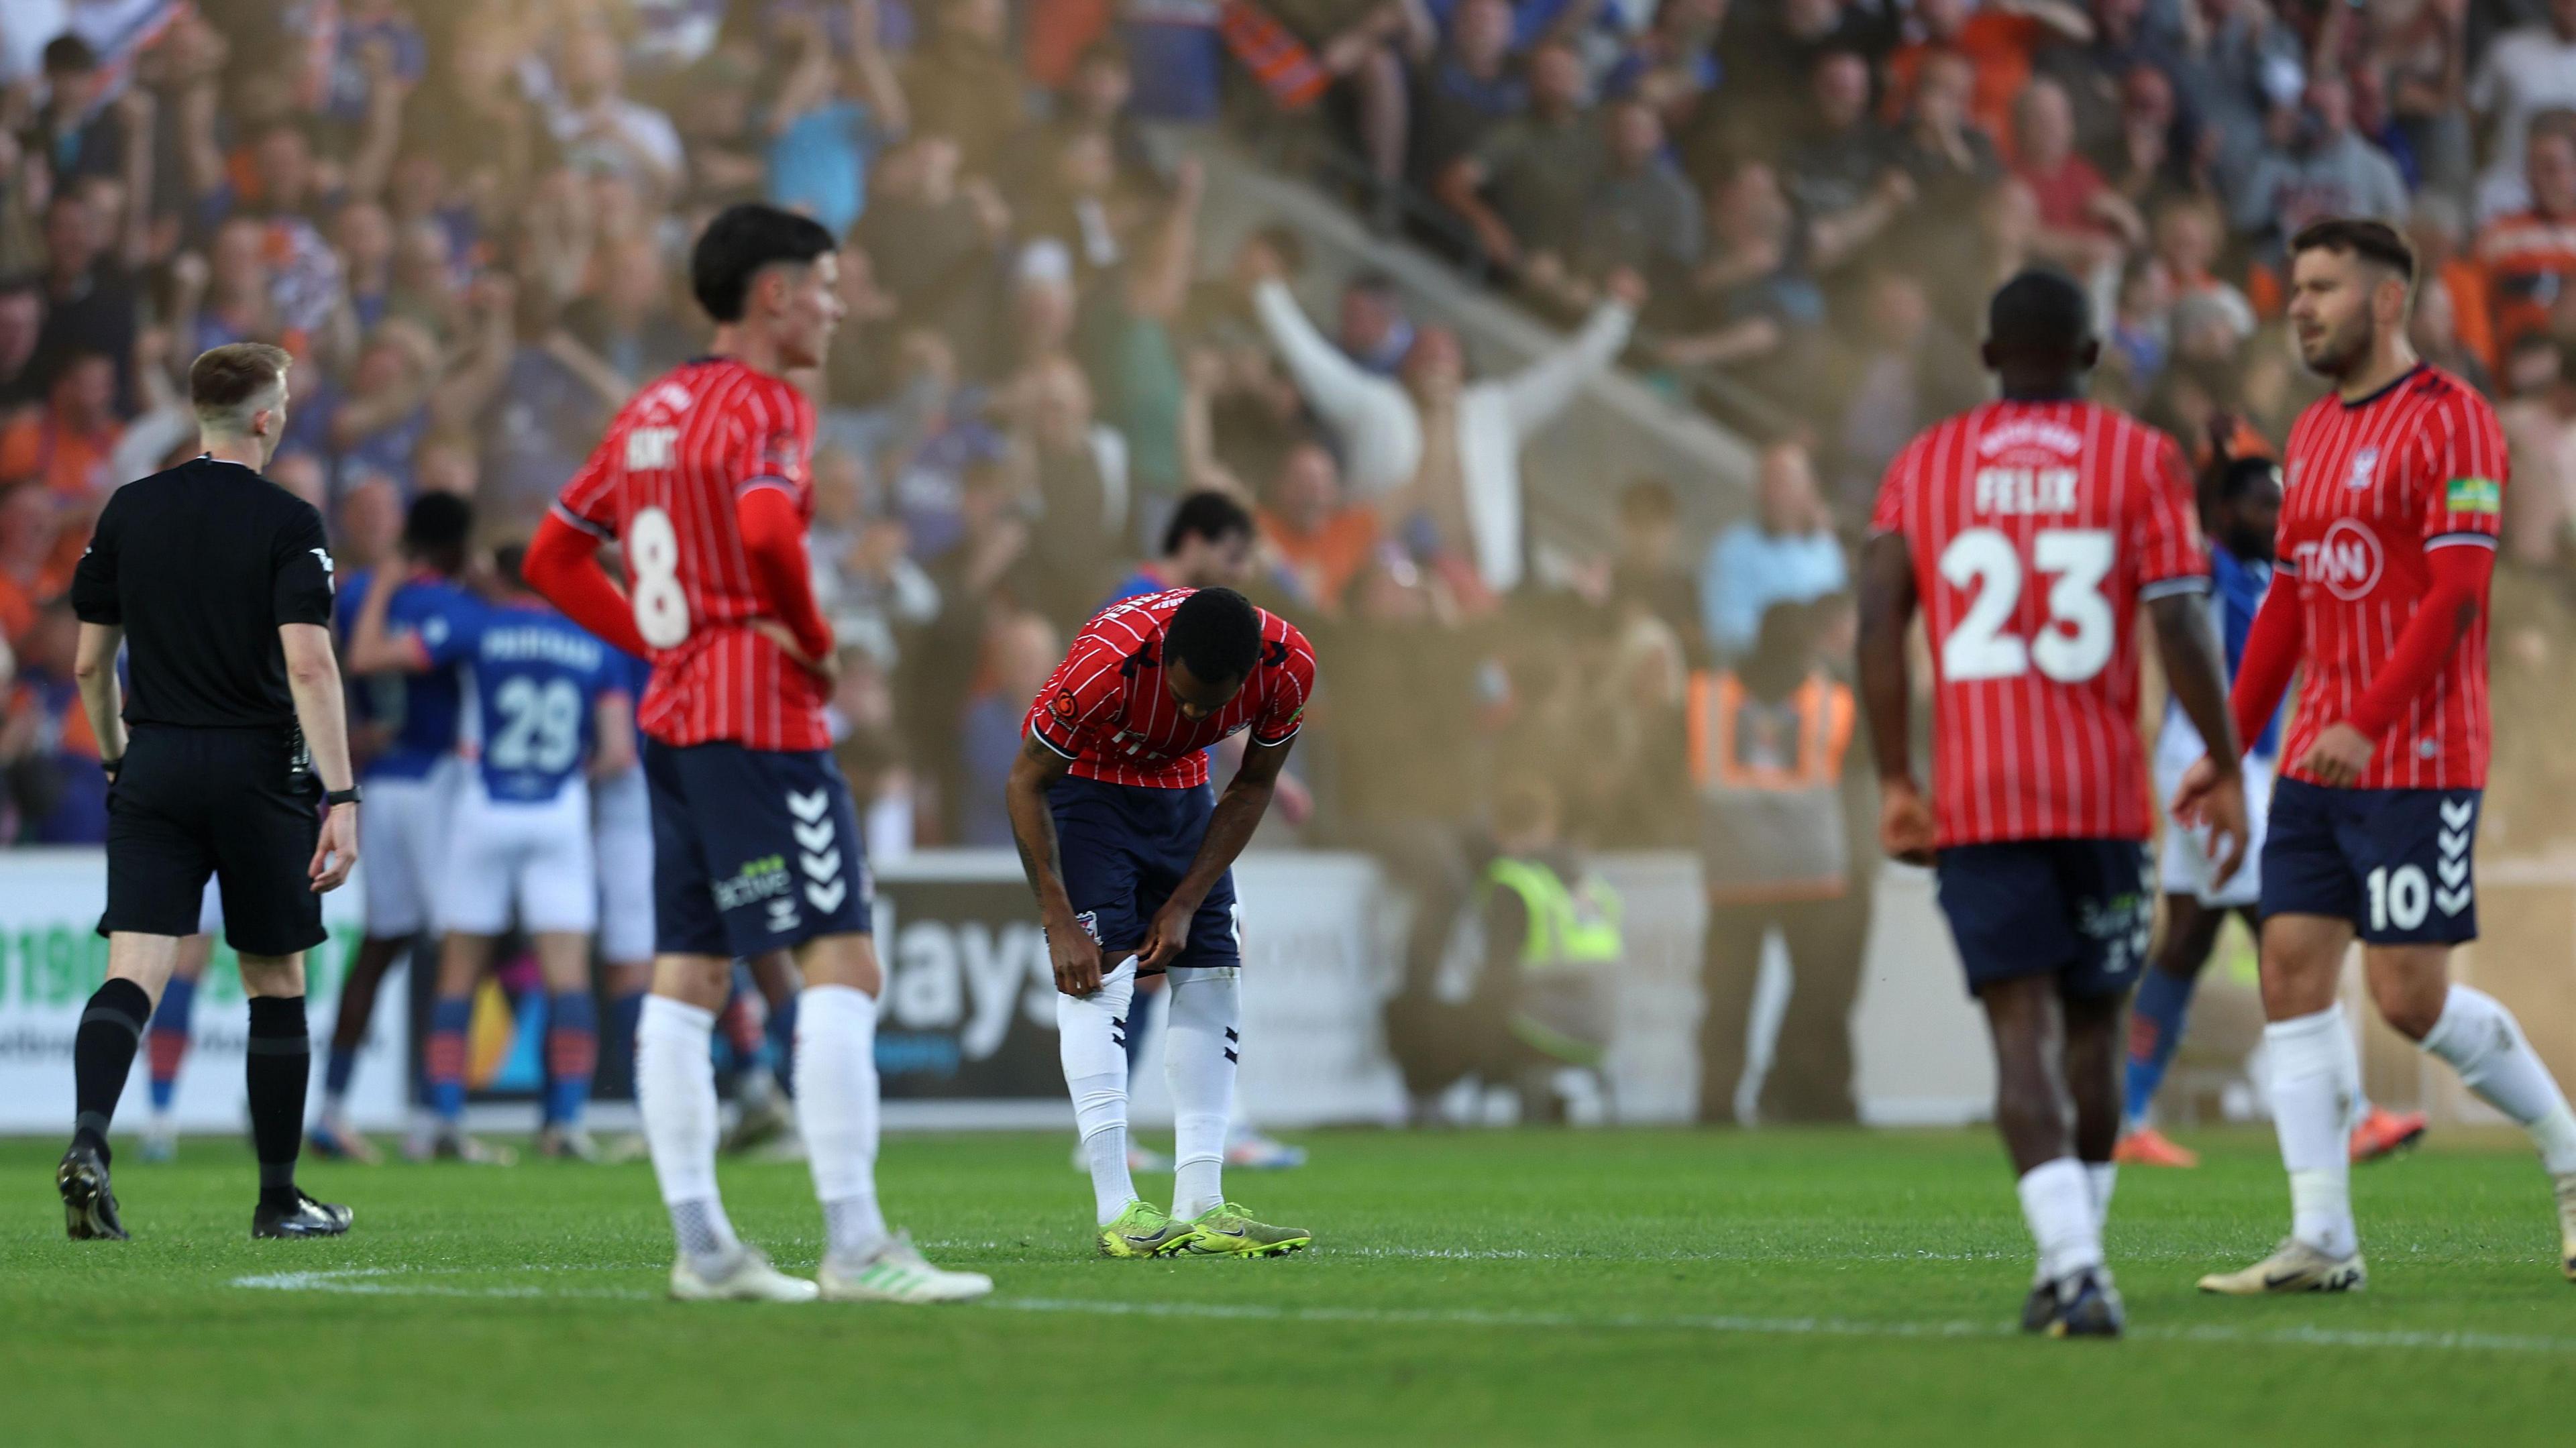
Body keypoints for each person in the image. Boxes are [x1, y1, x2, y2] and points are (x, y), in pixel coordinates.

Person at [523, 203, 989, 1304]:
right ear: (774, 293)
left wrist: (655, 634)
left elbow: (551, 552)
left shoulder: (649, 409)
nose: (838, 305)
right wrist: (815, 643)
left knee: (689, 971)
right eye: (827, 285)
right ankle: (857, 1242)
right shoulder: (769, 404)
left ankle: (707, 1245)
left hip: (672, 714)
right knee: (843, 956)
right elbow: (775, 533)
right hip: (761, 711)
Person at [2178, 219, 2576, 1294]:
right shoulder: (2307, 433)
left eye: (2323, 288)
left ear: (2388, 301)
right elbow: (2293, 605)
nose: (2298, 306)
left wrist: (2370, 717)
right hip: (2315, 759)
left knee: (2408, 997)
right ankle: (2323, 1238)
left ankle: (2573, 1154)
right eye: (2296, 287)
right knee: (2291, 970)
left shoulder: (2455, 423)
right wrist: (2227, 753)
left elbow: (2455, 597)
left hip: (2421, 754)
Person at [1858, 270, 2249, 1338]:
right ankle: (2078, 1261)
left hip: (1981, 802)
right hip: (2102, 800)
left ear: (1988, 358)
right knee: (2095, 1032)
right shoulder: (2138, 457)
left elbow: (1876, 626)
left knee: (2018, 1035)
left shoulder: (1923, 465)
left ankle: (2074, 1266)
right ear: (2090, 358)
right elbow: (2182, 624)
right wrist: (2222, 758)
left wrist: (1898, 777)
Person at [58, 341, 361, 1241]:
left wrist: (118, 757)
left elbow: (87, 661)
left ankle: (88, 1140)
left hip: (153, 759)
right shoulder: (288, 519)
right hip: (256, 767)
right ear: (267, 416)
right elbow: (309, 661)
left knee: (135, 968)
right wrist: (341, 793)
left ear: (199, 413)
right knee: (273, 975)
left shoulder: (129, 510)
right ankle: (277, 1196)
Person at [2118, 442, 2428, 1170]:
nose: (2278, 514)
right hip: (2208, 763)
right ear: (2224, 513)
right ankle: (2350, 1113)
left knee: (2189, 941)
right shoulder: (2210, 568)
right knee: (2291, 930)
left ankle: (2123, 1114)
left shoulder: (2271, 573)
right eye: (2263, 504)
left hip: (2242, 764)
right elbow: (2181, 542)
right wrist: (2202, 470)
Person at [1002, 586, 1316, 1259]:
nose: (1196, 711)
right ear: (1161, 655)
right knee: (1098, 977)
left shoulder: (1289, 666)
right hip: (1092, 789)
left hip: (1183, 792)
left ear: (1250, 672)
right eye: (1183, 696)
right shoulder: (1103, 666)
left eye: (1213, 703)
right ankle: (1119, 1208)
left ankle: (1203, 1203)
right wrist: (1056, 915)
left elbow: (1254, 783)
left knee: (1215, 972)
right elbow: (1024, 780)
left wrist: (1184, 901)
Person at [406, 543, 633, 1164]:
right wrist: (568, 778)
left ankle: (447, 1120)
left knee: (459, 972)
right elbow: (617, 752)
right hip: (557, 814)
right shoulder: (594, 642)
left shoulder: (480, 627)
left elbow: (386, 659)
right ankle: (564, 1122)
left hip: (484, 808)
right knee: (567, 973)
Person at [319, 490, 483, 1163]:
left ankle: (332, 1107)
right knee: (456, 949)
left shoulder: (360, 594)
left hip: (377, 787)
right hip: (432, 786)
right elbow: (375, 660)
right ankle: (437, 1115)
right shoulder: (454, 609)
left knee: (382, 946)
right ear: (456, 548)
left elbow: (336, 658)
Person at [1689, 600, 1858, 1125]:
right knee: (1818, 995)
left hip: (1733, 872)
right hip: (1813, 870)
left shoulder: (1706, 695)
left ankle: (1716, 1104)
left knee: (1727, 996)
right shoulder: (1834, 699)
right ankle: (1814, 1098)